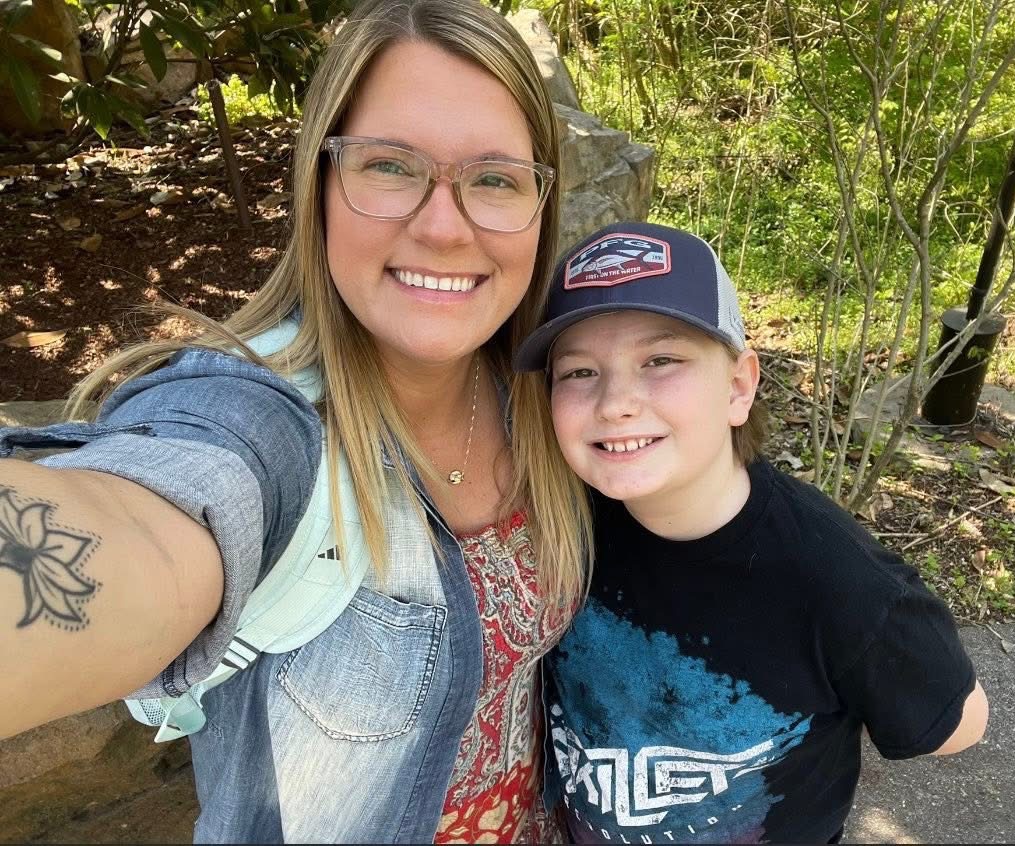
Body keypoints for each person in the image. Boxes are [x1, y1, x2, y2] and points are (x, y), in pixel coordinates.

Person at [0, 0, 593, 841]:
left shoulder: (545, 395)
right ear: (318, 186)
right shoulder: (258, 421)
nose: (443, 226)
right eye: (390, 166)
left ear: (541, 204)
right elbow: (152, 513)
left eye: (495, 179)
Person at [513, 221, 990, 844]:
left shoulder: (836, 579)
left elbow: (959, 723)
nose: (615, 402)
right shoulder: (564, 519)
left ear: (739, 386)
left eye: (661, 361)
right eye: (579, 372)